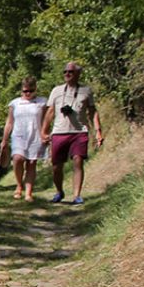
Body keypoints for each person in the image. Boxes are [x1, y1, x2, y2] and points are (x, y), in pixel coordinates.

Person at [45, 61, 103, 204]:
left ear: (78, 74)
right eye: (65, 72)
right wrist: (44, 131)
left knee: (78, 161)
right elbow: (50, 111)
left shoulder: (86, 91)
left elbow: (92, 111)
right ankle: (59, 191)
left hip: (79, 131)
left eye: (70, 72)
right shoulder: (56, 90)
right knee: (57, 166)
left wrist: (98, 131)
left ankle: (77, 195)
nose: (67, 74)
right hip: (59, 132)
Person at [1, 76, 50, 202]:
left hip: (35, 135)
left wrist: (45, 134)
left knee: (31, 163)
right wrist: (4, 140)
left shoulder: (42, 102)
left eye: (30, 90)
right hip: (18, 135)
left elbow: (46, 121)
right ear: (21, 90)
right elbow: (10, 122)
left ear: (35, 89)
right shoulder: (14, 103)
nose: (28, 93)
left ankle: (28, 193)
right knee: (18, 159)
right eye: (25, 91)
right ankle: (19, 185)